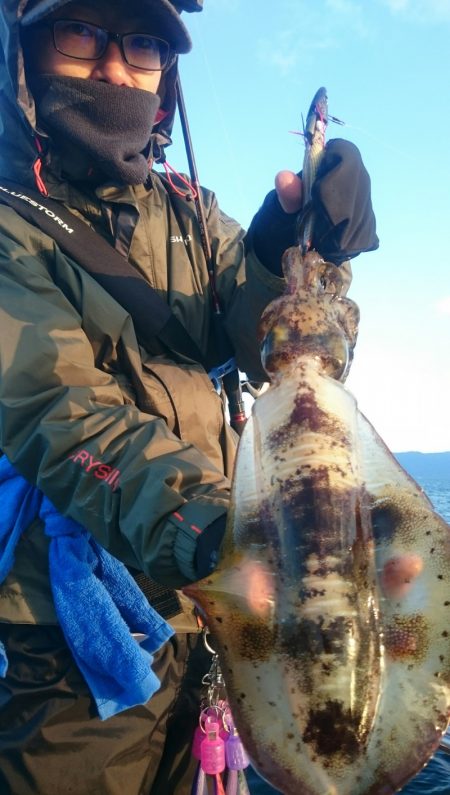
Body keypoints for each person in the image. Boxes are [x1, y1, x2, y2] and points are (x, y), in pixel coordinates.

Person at [0, 1, 378, 793]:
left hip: (216, 619)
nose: (113, 66)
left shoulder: (192, 213)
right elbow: (56, 409)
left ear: (164, 72)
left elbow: (280, 345)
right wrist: (225, 534)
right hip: (77, 645)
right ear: (25, 47)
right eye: (81, 32)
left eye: (140, 43)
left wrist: (293, 248)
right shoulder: (10, 226)